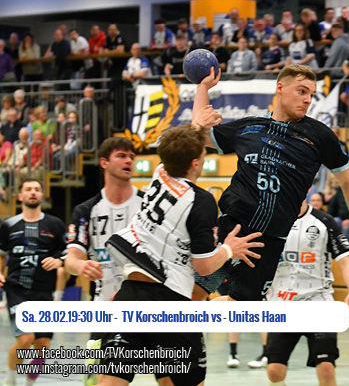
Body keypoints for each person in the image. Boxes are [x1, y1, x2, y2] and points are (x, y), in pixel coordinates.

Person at [98, 124, 263, 386]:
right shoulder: (201, 201)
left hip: (130, 295)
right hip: (169, 300)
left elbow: (178, 145)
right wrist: (230, 249)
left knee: (112, 381)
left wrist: (200, 112)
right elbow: (205, 266)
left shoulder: (160, 173)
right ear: (196, 163)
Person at [191, 64, 349, 302]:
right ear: (280, 88)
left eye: (311, 94)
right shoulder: (250, 126)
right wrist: (203, 88)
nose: (307, 100)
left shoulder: (320, 135)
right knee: (194, 292)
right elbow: (200, 134)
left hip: (269, 242)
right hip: (231, 228)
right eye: (302, 91)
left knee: (241, 306)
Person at [266, 198, 349, 386]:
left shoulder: (324, 221)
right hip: (283, 304)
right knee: (274, 371)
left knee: (326, 367)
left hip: (319, 302)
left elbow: (346, 262)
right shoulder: (270, 221)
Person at [0, 178, 67, 386]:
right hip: (17, 289)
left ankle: (29, 383)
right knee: (26, 339)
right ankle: (10, 380)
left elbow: (68, 252)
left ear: (42, 195)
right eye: (28, 189)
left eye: (37, 189)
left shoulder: (55, 225)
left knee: (43, 346)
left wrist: (58, 261)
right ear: (20, 196)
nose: (33, 192)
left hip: (44, 291)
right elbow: (2, 254)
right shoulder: (9, 225)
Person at [65, 138, 144, 303]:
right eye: (121, 156)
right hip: (103, 305)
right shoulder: (86, 210)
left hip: (143, 305)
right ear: (104, 163)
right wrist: (80, 265)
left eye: (131, 157)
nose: (128, 161)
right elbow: (70, 261)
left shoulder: (148, 205)